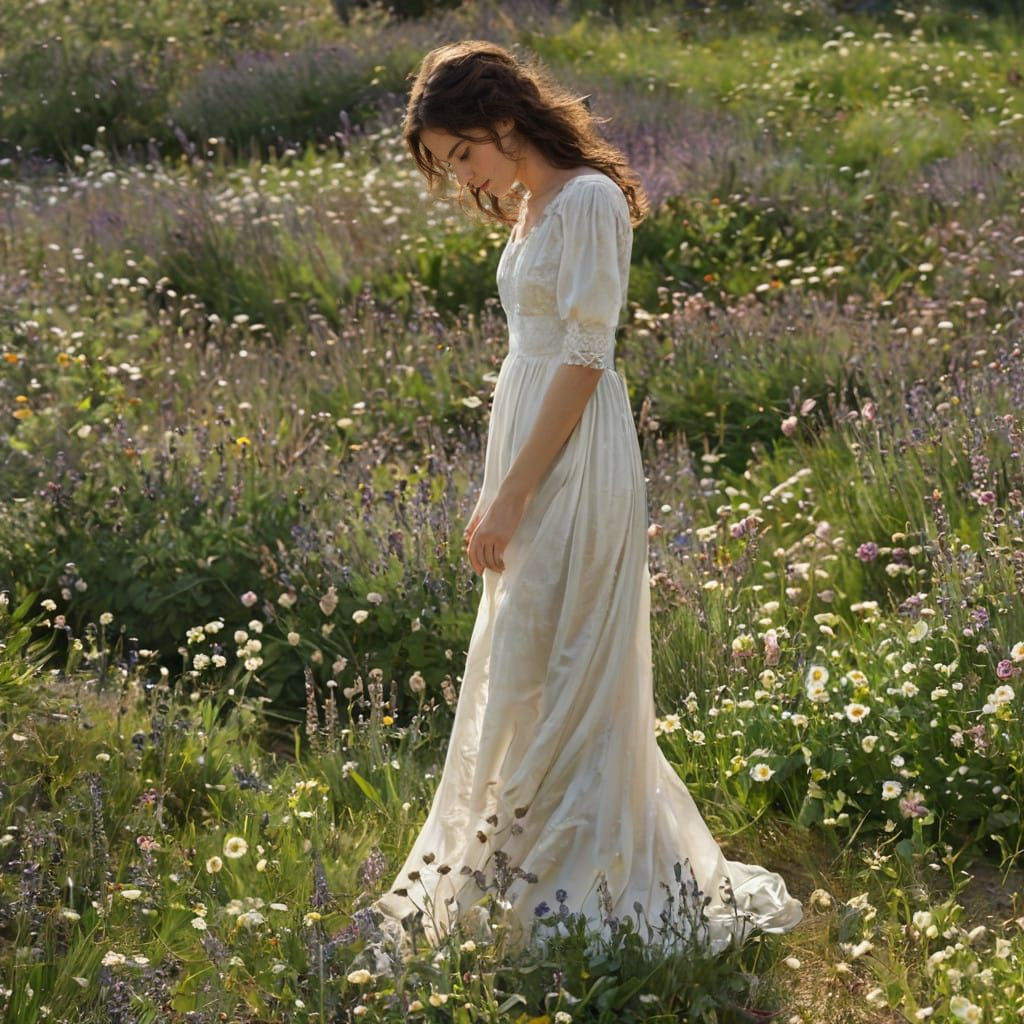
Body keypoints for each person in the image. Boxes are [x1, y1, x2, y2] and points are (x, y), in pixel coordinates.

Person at [371, 39, 803, 955]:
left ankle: (584, 879)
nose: (463, 175)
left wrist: (513, 494)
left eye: (463, 152)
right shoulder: (529, 205)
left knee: (567, 658)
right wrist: (496, 488)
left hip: (572, 451)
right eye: (448, 163)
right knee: (523, 657)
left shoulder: (589, 199)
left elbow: (582, 357)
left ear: (502, 118)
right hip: (527, 442)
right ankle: (521, 865)